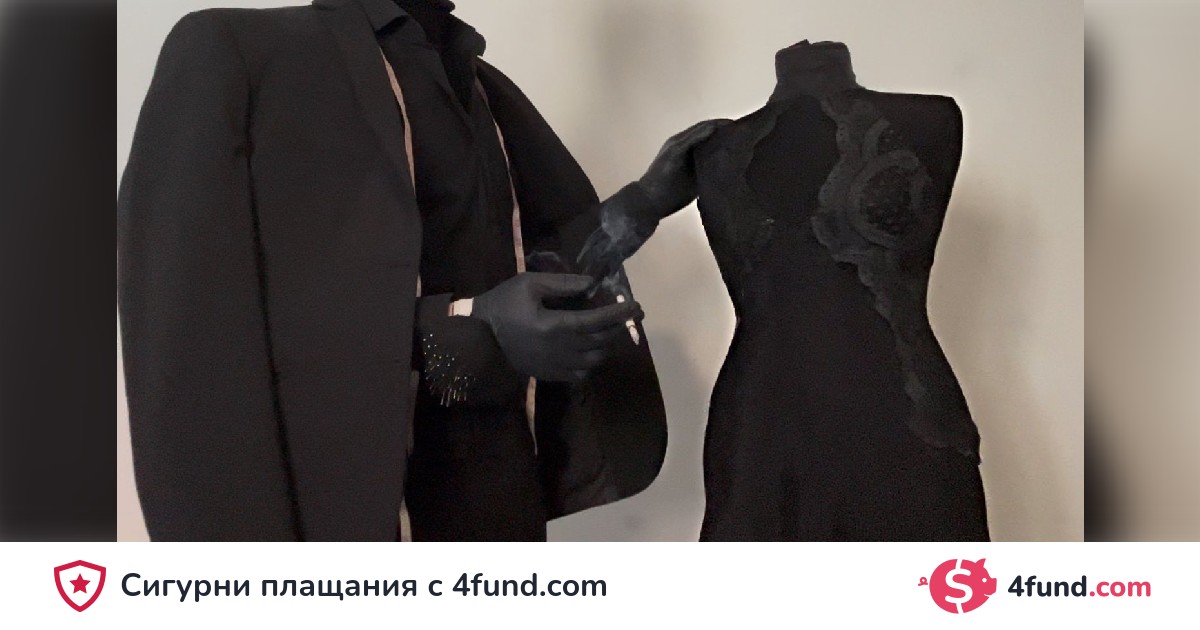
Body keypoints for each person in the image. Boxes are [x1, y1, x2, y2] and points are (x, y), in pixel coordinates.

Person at [117, 0, 715, 541]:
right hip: (351, 519)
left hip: (502, 501)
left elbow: (528, 266)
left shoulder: (482, 86)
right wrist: (469, 327)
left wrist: (642, 203)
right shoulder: (240, 54)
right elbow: (193, 333)